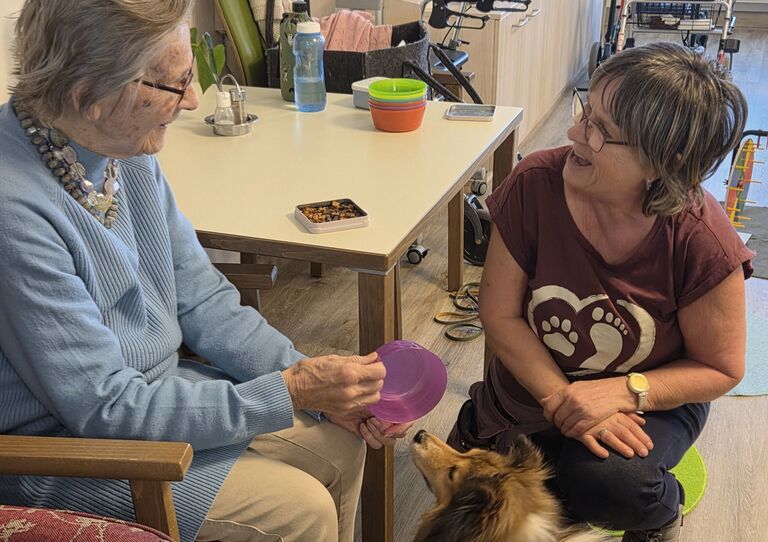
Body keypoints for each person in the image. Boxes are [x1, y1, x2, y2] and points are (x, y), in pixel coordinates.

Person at [0, 2, 412, 541]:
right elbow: (105, 409)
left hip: (153, 399)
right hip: (69, 450)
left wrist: (314, 384)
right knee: (299, 510)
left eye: (189, 75)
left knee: (337, 442)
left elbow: (202, 301)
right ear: (90, 98)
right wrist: (291, 392)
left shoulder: (118, 148)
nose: (192, 101)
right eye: (176, 84)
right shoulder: (16, 210)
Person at [448, 42, 753, 542]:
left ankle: (663, 512)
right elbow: (499, 315)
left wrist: (623, 393)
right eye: (585, 112)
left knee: (610, 485)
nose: (574, 134)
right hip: (543, 384)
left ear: (661, 163)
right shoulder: (534, 185)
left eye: (600, 131)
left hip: (651, 395)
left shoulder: (701, 239)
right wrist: (566, 399)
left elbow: (721, 368)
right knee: (493, 497)